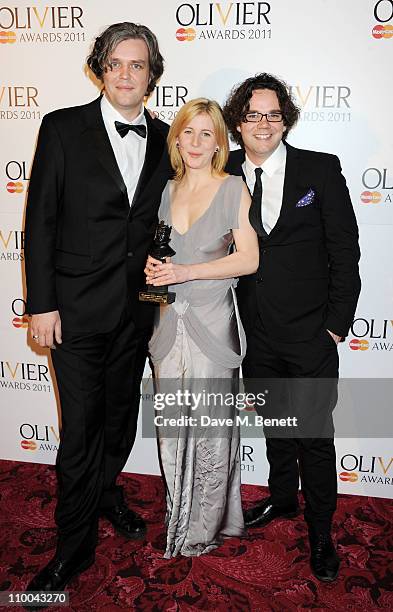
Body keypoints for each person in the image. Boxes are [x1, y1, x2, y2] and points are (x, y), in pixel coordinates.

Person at [24, 22, 171, 594]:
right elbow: (41, 222)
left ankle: (107, 493)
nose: (126, 74)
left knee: (119, 423)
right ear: (99, 69)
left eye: (137, 65)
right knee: (81, 431)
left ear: (152, 74)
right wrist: (42, 304)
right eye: (115, 63)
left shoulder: (166, 139)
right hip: (75, 312)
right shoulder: (62, 128)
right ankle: (73, 547)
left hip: (138, 312)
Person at [223, 73, 361, 581]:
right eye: (254, 114)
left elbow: (345, 250)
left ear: (286, 120)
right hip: (255, 333)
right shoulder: (224, 171)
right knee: (277, 428)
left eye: (273, 114)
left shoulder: (320, 170)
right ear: (239, 121)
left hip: (310, 335)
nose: (264, 124)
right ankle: (282, 500)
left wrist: (335, 326)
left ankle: (322, 533)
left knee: (315, 438)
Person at [145, 98, 259, 557]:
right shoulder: (166, 190)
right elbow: (162, 254)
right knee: (172, 428)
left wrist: (186, 272)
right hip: (169, 321)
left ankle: (203, 527)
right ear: (176, 138)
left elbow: (249, 259)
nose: (195, 142)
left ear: (218, 144)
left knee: (211, 429)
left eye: (205, 134)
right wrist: (157, 269)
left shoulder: (234, 189)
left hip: (214, 323)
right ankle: (178, 513)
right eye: (187, 132)